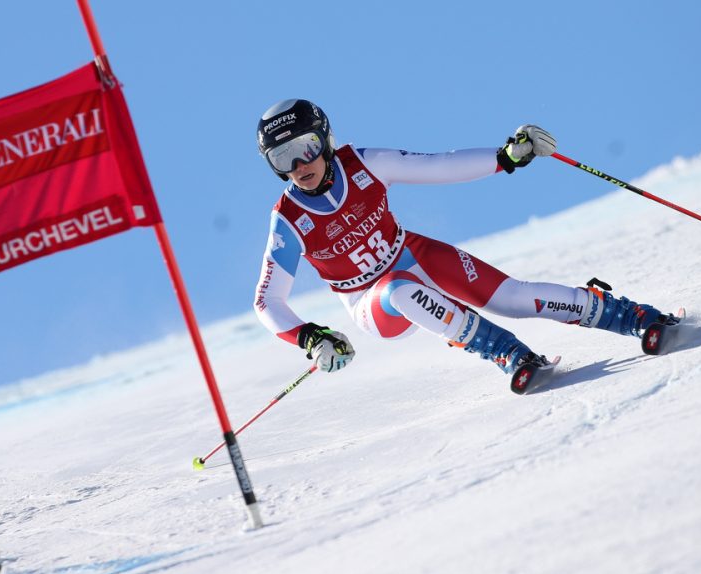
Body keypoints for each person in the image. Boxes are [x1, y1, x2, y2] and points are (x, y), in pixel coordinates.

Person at [253, 99, 671, 394]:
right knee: (401, 290)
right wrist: (310, 336)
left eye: (304, 148)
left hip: (412, 253)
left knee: (512, 297)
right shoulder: (288, 219)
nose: (299, 166)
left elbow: (437, 165)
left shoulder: (363, 163)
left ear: (324, 139)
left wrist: (506, 156)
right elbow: (267, 301)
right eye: (282, 158)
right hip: (371, 301)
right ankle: (506, 352)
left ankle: (629, 316)